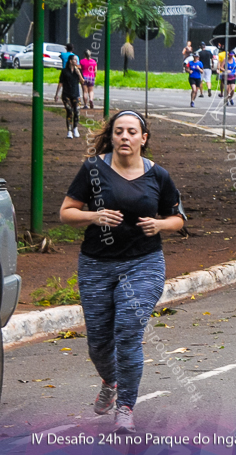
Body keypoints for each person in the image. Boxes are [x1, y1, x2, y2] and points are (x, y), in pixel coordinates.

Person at [59, 110, 186, 434]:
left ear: (144, 138)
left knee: (128, 330)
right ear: (112, 136)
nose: (125, 137)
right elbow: (66, 212)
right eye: (119, 132)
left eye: (132, 132)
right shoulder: (93, 170)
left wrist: (160, 224)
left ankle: (126, 407)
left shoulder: (159, 176)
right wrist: (93, 217)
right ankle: (110, 380)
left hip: (143, 263)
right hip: (96, 266)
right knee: (99, 343)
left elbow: (178, 218)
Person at [55, 54, 86, 138]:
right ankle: (69, 131)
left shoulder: (78, 70)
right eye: (75, 60)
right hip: (66, 94)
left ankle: (75, 128)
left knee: (77, 110)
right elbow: (60, 82)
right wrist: (56, 94)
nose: (76, 61)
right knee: (69, 111)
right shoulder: (64, 71)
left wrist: (79, 73)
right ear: (70, 61)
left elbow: (83, 82)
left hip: (75, 94)